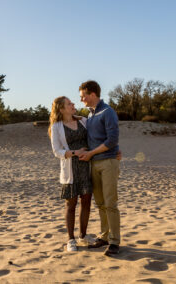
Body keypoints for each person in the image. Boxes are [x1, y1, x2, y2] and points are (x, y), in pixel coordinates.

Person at [78, 80, 121, 256]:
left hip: (108, 162)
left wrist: (92, 153)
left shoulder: (107, 111)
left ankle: (115, 242)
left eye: (83, 96)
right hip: (94, 163)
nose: (82, 100)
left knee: (110, 203)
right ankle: (104, 236)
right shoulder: (90, 115)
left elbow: (112, 140)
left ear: (93, 94)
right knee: (101, 203)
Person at [49, 96, 95, 252]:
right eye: (69, 104)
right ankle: (71, 239)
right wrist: (75, 152)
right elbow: (57, 151)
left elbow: (94, 138)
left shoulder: (83, 120)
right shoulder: (56, 127)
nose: (73, 104)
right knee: (71, 205)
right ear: (61, 109)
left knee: (87, 202)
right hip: (70, 169)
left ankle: (83, 235)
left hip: (86, 166)